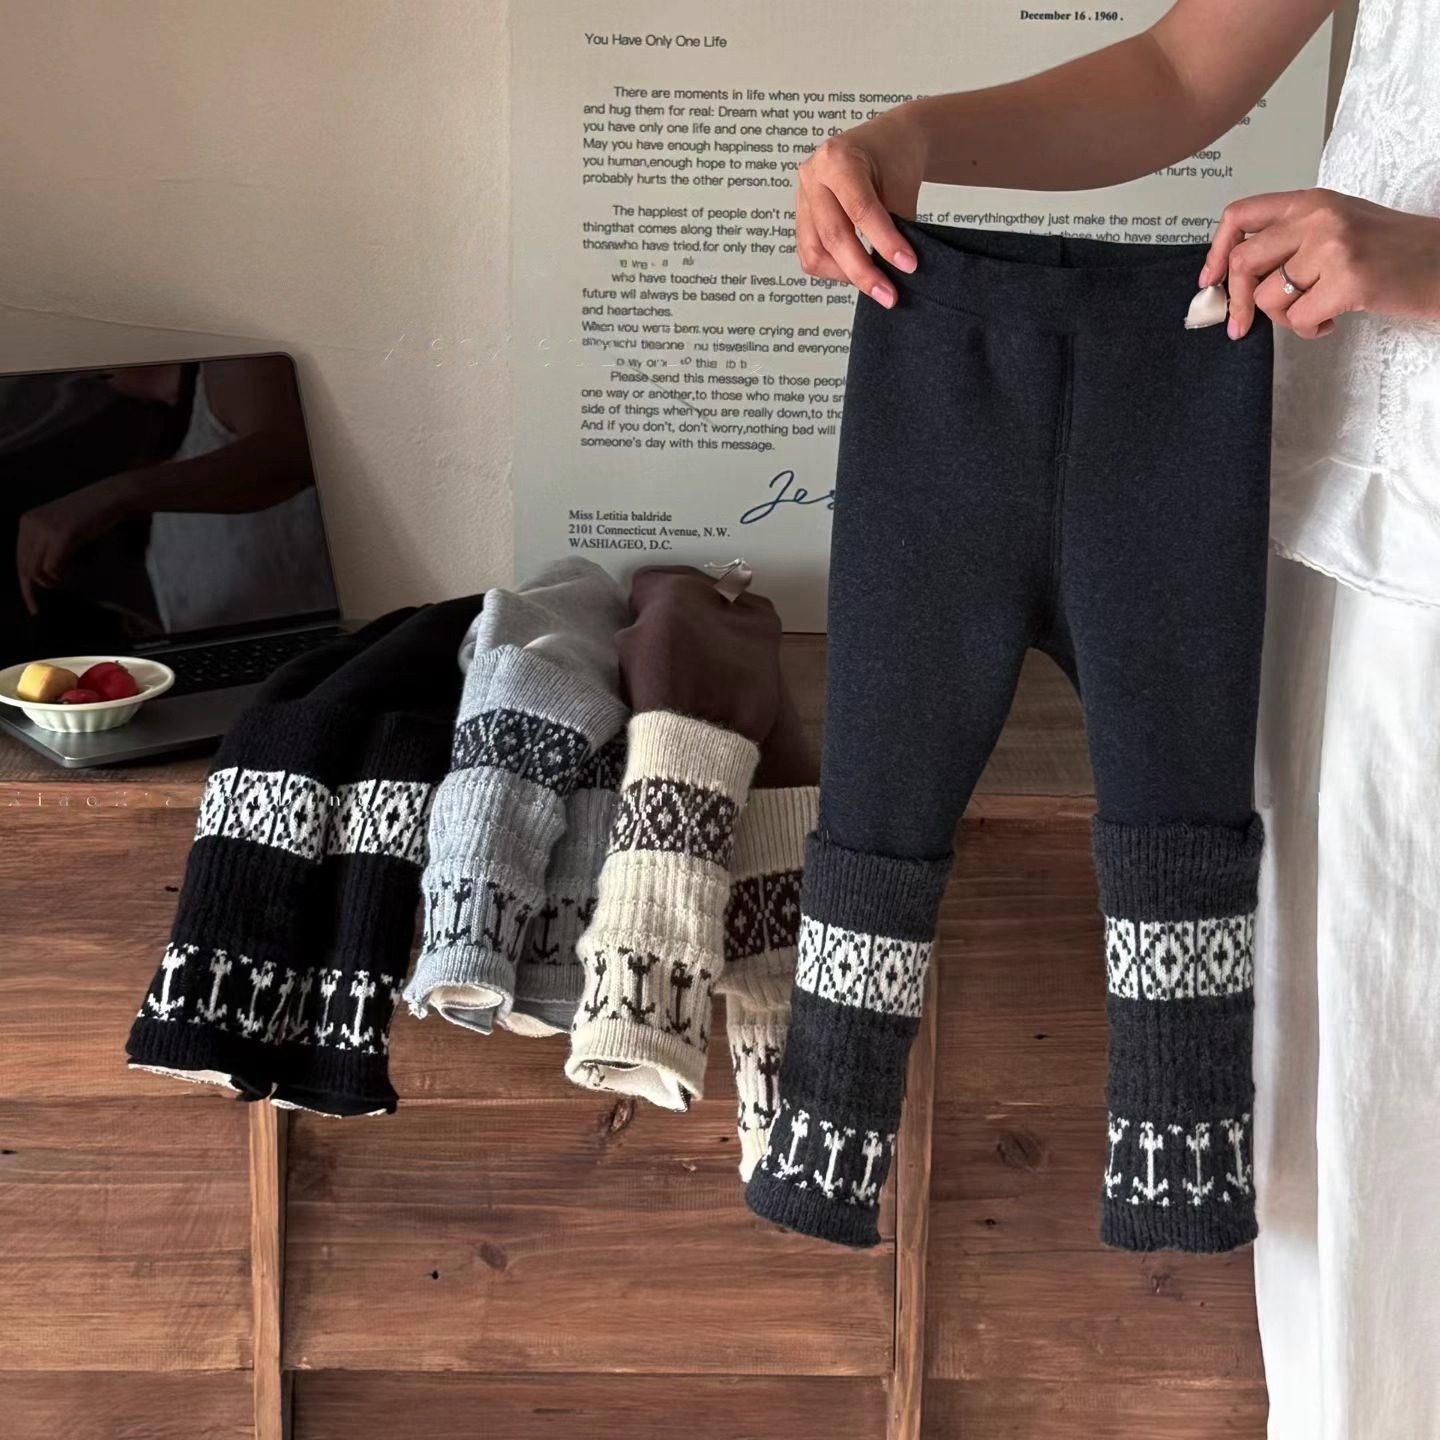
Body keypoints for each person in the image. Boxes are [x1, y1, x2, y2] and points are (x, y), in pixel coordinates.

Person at [793, 4, 1440, 1437]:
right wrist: (914, 137)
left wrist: (1431, 264)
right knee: (1342, 1163)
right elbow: (1175, 70)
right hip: (1337, 535)